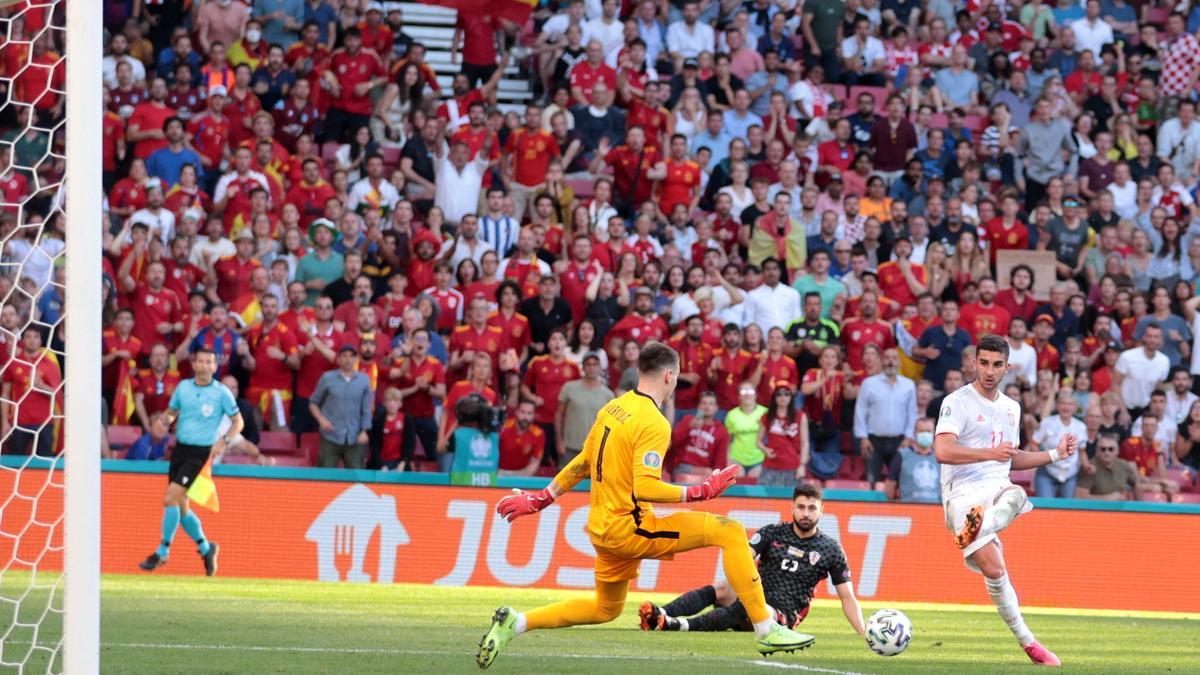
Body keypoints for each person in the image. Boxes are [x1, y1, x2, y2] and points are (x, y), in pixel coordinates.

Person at [476, 342, 817, 669]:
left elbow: (582, 460)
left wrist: (542, 497)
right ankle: (766, 628)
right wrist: (698, 492)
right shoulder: (654, 422)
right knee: (729, 531)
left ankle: (516, 623)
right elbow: (645, 486)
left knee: (605, 609)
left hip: (603, 527)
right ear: (670, 376)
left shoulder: (613, 407)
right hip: (630, 527)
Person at [933, 333, 1076, 666]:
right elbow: (942, 450)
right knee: (995, 569)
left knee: (1015, 492)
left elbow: (1009, 459)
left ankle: (1031, 646)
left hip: (995, 488)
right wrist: (989, 453)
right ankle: (982, 522)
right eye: (983, 363)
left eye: (997, 365)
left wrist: (1055, 454)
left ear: (1007, 368)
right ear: (974, 362)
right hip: (962, 493)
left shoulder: (1012, 408)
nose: (989, 370)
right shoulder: (957, 401)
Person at [640, 484, 864, 635]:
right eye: (801, 507)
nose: (806, 513)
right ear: (792, 508)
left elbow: (847, 597)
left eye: (812, 508)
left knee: (752, 607)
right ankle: (658, 615)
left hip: (782, 614)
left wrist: (863, 631)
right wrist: (741, 584)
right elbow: (742, 558)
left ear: (821, 511)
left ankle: (676, 625)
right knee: (722, 588)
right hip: (757, 594)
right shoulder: (772, 532)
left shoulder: (831, 549)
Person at [137, 348, 240, 576]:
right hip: (180, 450)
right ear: (194, 364)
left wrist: (223, 443)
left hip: (200, 454)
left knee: (170, 498)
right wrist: (164, 421)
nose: (203, 365)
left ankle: (162, 551)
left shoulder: (221, 393)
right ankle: (206, 547)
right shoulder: (183, 388)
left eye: (208, 362)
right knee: (182, 509)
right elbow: (173, 411)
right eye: (200, 361)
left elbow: (238, 422)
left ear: (214, 366)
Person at [853, 348, 917, 484]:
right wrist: (863, 438)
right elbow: (860, 411)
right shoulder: (869, 383)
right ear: (881, 361)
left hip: (899, 441)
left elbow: (912, 413)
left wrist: (909, 437)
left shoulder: (908, 385)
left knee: (899, 481)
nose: (890, 362)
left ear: (899, 362)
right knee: (871, 480)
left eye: (894, 358)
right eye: (887, 358)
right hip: (873, 441)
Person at [308, 344, 374, 469]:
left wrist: (365, 431)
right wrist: (322, 420)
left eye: (351, 356)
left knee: (357, 479)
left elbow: (366, 409)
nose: (348, 360)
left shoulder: (364, 380)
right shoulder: (327, 378)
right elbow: (313, 403)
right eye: (344, 356)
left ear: (356, 359)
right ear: (339, 359)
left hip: (355, 437)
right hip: (330, 436)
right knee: (326, 478)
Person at [1028, 390, 1090, 498]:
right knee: (1045, 507)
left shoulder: (1081, 426)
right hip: (1047, 471)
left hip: (1070, 473)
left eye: (1070, 404)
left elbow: (1082, 451)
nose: (1066, 407)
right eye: (1063, 403)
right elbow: (1034, 443)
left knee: (1067, 509)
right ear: (1057, 406)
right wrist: (1040, 460)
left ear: (1075, 407)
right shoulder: (1047, 422)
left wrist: (1087, 465)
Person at [556, 353, 614, 465]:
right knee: (563, 481)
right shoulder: (569, 387)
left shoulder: (608, 395)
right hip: (570, 447)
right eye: (588, 364)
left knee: (593, 482)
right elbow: (559, 415)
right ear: (583, 367)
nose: (592, 368)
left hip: (595, 450)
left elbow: (611, 425)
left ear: (600, 368)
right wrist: (559, 441)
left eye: (595, 364)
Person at [884, 417, 942, 502]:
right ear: (914, 433)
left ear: (934, 434)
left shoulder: (941, 458)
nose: (925, 434)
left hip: (935, 511)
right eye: (921, 431)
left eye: (928, 431)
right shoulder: (901, 456)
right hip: (908, 511)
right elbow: (889, 487)